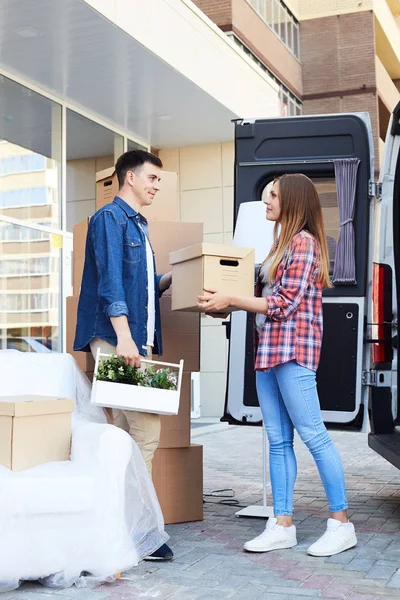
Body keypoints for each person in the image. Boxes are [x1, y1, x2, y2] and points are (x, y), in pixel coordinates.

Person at [198, 174, 357, 557]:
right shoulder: (278, 247)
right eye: (267, 194)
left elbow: (283, 304)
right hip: (269, 352)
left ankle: (341, 524)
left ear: (294, 202)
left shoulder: (303, 243)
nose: (266, 201)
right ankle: (282, 523)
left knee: (314, 435)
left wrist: (233, 297)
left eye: (273, 195)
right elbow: (263, 300)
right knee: (278, 440)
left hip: (293, 353)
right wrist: (226, 301)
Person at [74, 149, 173, 561]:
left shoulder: (139, 225)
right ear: (129, 177)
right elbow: (112, 283)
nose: (156, 186)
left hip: (133, 340)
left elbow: (142, 284)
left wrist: (176, 279)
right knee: (145, 433)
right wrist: (125, 338)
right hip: (120, 340)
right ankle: (139, 533)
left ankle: (120, 525)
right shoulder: (109, 219)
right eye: (151, 178)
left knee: (129, 435)